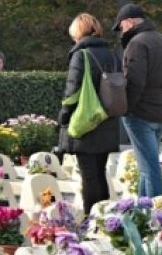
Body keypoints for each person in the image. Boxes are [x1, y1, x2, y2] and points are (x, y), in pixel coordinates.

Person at [58, 13, 121, 214]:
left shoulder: (81, 55)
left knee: (88, 176)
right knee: (100, 172)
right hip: (107, 120)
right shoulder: (112, 55)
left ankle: (91, 219)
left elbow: (72, 91)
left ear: (79, 32)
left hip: (86, 122)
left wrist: (64, 116)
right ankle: (106, 218)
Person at [112, 3, 162, 197]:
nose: (121, 32)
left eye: (121, 27)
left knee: (150, 168)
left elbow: (135, 82)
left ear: (129, 22)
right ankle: (142, 210)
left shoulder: (137, 43)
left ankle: (156, 215)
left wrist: (127, 109)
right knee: (145, 166)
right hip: (161, 111)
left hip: (140, 113)